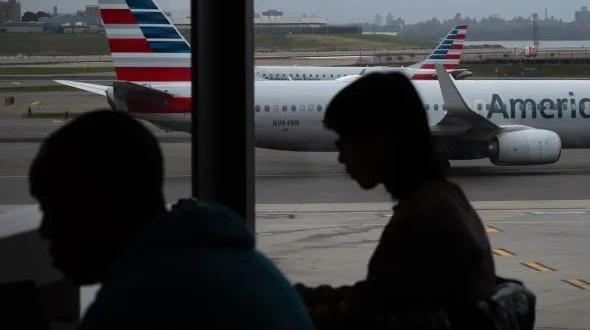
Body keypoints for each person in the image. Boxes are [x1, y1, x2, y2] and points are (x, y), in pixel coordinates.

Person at [28, 109, 314, 330]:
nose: (44, 230)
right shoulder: (237, 263)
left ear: (100, 206)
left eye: (55, 209)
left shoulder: (140, 301)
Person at [294, 72, 497, 329]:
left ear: (382, 142)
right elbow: (378, 297)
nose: (340, 156)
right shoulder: (444, 199)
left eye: (346, 140)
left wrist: (290, 303)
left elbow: (367, 314)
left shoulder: (422, 221)